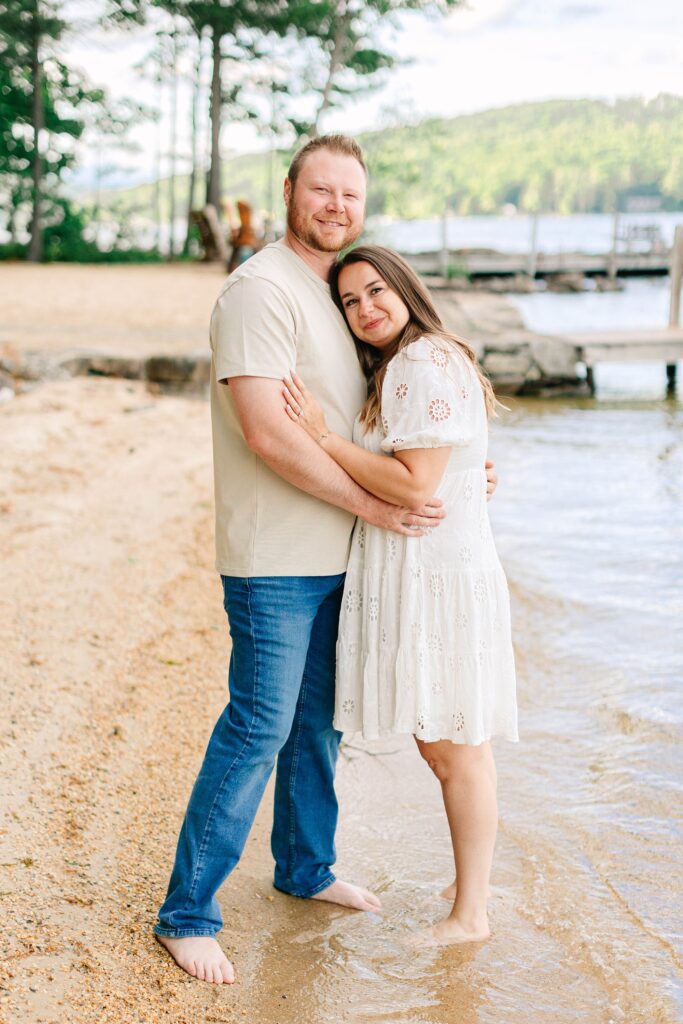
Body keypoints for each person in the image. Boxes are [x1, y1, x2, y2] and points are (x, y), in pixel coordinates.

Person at [154, 135, 498, 983]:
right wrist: (380, 504)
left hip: (343, 552)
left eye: (350, 194)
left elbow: (389, 425)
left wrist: (463, 469)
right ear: (288, 191)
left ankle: (305, 868)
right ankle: (186, 913)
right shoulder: (258, 291)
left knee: (317, 725)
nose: (336, 207)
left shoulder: (334, 293)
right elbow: (269, 434)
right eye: (322, 191)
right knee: (258, 725)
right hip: (275, 553)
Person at [282, 245, 517, 945]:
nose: (365, 310)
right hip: (438, 571)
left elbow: (414, 485)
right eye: (350, 302)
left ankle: (468, 915)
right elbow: (442, 467)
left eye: (375, 291)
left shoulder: (419, 362)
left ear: (405, 289)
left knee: (454, 748)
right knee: (448, 746)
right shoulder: (411, 364)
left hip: (438, 577)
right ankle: (467, 884)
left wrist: (322, 436)